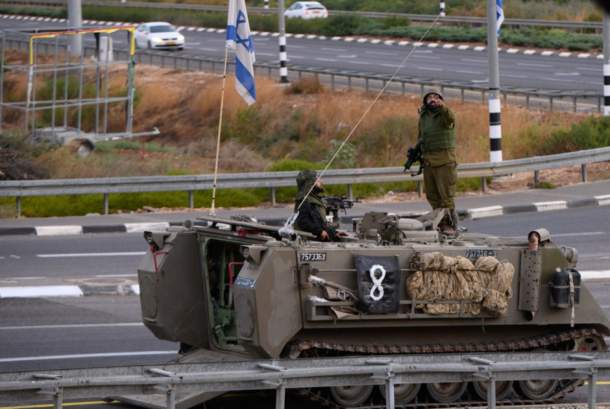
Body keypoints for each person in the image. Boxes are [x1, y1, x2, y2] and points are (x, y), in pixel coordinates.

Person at [416, 90, 459, 235]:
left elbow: (451, 118)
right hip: (429, 162)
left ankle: (450, 225)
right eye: (429, 98)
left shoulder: (444, 115)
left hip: (444, 161)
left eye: (436, 97)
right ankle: (440, 223)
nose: (433, 100)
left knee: (446, 196)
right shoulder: (424, 117)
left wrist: (443, 107)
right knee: (432, 196)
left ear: (441, 100)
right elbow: (421, 137)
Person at [293, 169, 338, 241]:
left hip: (315, 237)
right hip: (310, 240)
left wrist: (333, 232)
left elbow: (320, 222)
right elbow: (303, 222)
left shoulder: (313, 198)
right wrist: (320, 232)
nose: (320, 181)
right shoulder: (305, 200)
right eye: (317, 179)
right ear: (310, 183)